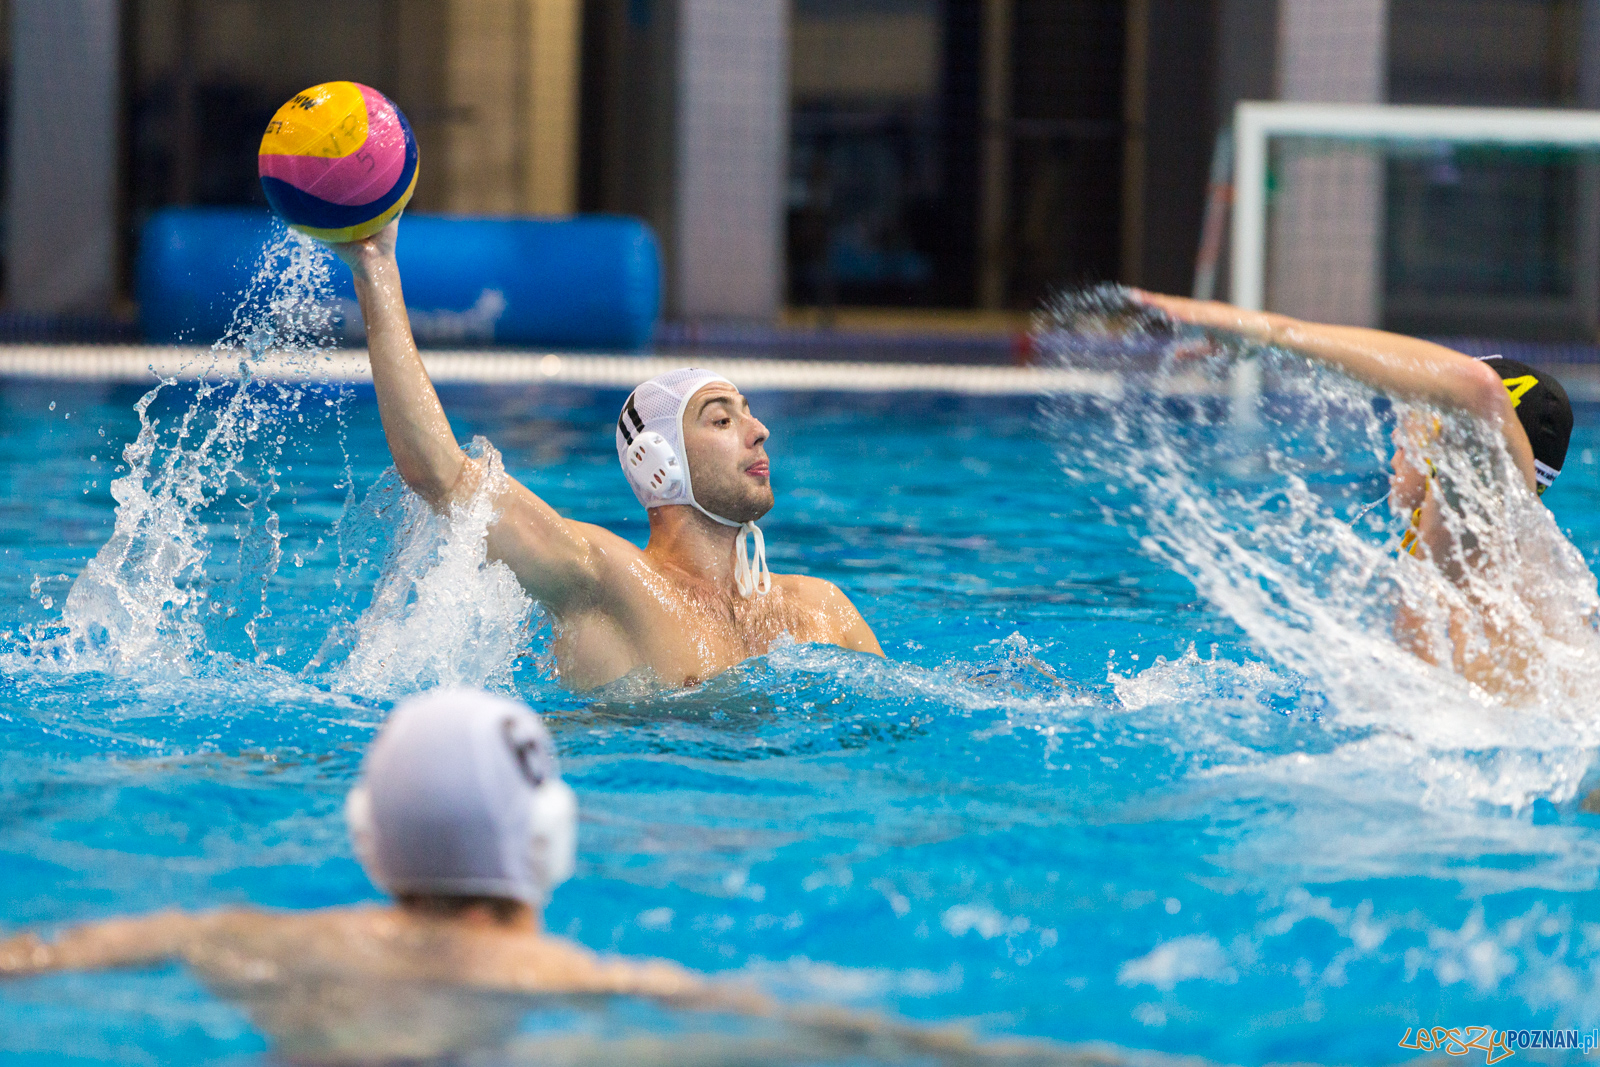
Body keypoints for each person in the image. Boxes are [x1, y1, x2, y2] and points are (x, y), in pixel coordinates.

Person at [0, 690, 1014, 1064]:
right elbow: (855, 1034)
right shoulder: (590, 983)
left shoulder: (237, 935)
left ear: (369, 834)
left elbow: (32, 956)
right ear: (548, 837)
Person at [329, 222, 882, 691]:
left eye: (749, 413)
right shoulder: (602, 579)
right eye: (721, 418)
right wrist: (376, 268)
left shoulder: (821, 609)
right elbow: (440, 474)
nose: (759, 431)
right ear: (657, 460)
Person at [1132, 290, 1578, 695]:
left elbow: (1477, 388)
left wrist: (1273, 333)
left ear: (1456, 442)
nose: (1398, 437)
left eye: (1419, 413)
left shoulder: (1483, 538)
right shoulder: (1487, 556)